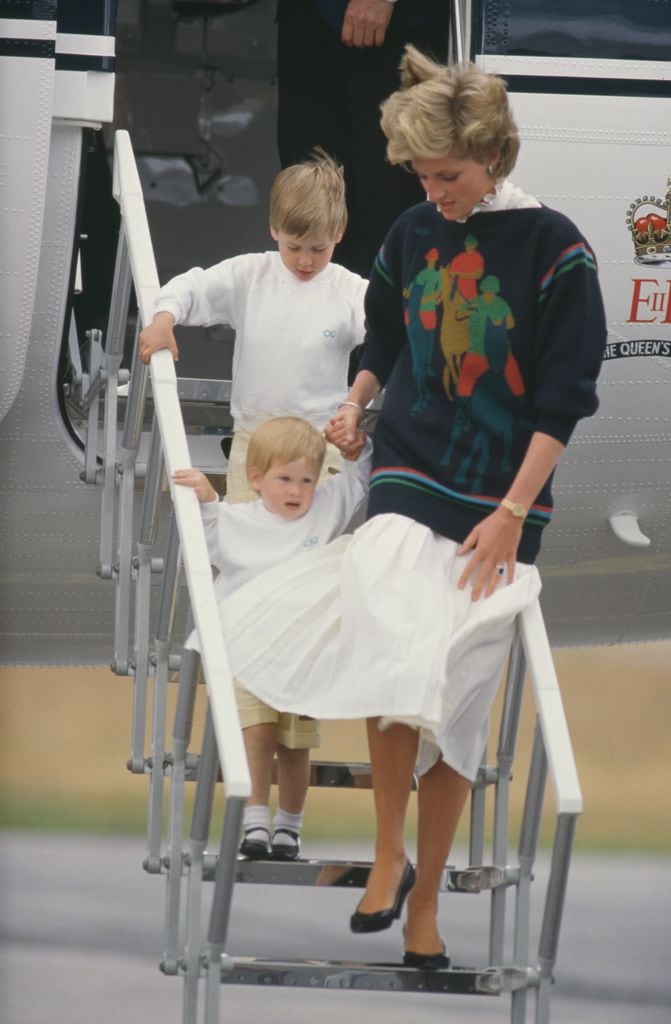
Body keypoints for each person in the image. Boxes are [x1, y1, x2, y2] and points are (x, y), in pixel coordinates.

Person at [215, 46, 607, 966]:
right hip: (409, 469)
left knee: (459, 693)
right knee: (387, 625)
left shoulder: (558, 251)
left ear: (494, 158)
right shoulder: (408, 237)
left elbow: (562, 400)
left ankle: (425, 903)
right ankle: (388, 854)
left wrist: (514, 510)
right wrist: (352, 405)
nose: (433, 192)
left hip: (500, 494)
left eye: (449, 175)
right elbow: (384, 338)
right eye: (423, 176)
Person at [175, 417, 371, 860]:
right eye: (284, 479)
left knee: (294, 743)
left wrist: (357, 446)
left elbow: (359, 479)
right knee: (258, 734)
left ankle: (290, 825)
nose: (296, 490)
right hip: (247, 651)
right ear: (258, 479)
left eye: (306, 480)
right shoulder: (237, 519)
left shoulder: (324, 508)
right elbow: (207, 539)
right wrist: (206, 500)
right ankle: (256, 821)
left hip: (302, 654)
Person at [138, 149, 367, 502]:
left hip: (319, 443)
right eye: (294, 247)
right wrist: (165, 317)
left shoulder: (350, 291)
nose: (305, 260)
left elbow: (392, 330)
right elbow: (192, 287)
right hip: (254, 441)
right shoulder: (250, 276)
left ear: (340, 233)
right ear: (274, 229)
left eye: (318, 249)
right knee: (246, 535)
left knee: (309, 546)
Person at [276, 0, 448, 278]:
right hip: (309, 19)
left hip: (393, 26)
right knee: (309, 185)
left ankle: (377, 315)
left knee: (387, 193)